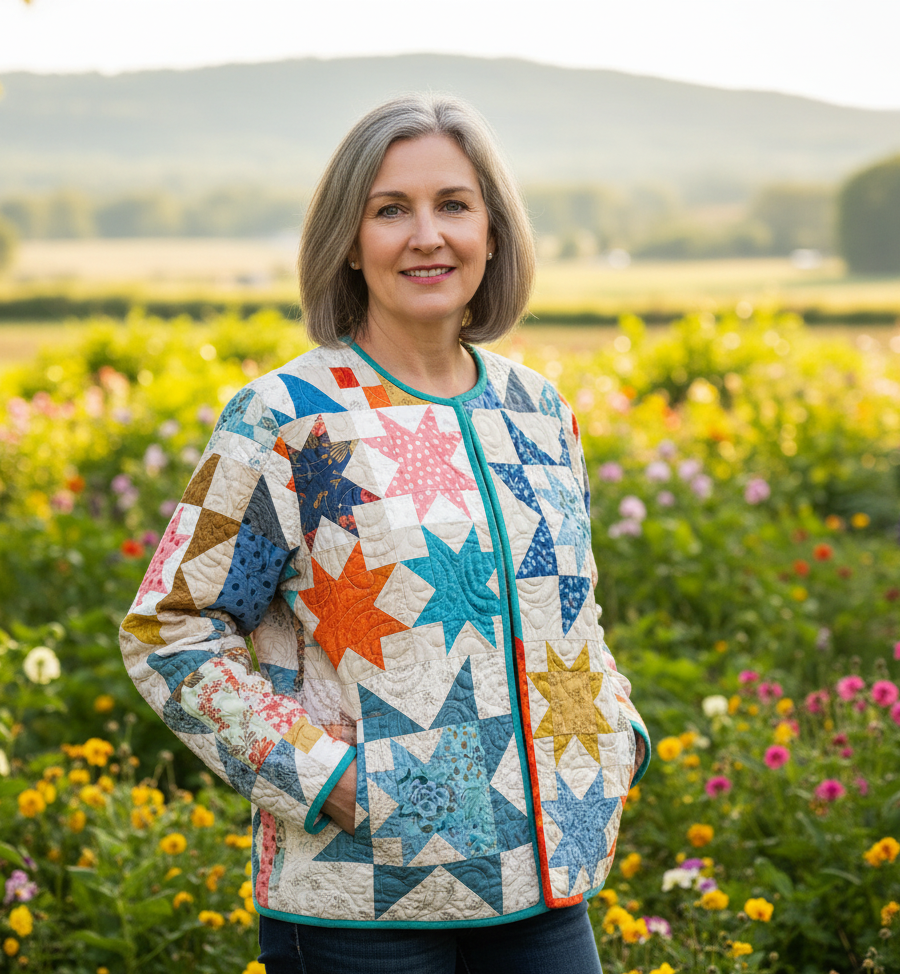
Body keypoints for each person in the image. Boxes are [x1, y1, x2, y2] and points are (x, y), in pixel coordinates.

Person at [120, 93, 648, 974]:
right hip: (362, 906)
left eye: (453, 204)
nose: (426, 235)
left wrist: (613, 734)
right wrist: (328, 783)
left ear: (493, 230)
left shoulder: (537, 411)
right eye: (391, 210)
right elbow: (170, 630)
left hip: (546, 893)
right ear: (350, 241)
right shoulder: (286, 419)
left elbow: (573, 611)